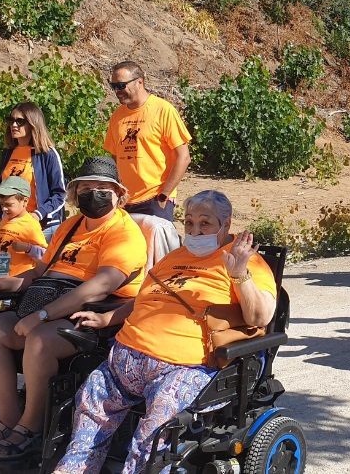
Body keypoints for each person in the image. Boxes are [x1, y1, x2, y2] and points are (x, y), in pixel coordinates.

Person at [51, 190, 277, 474]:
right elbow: (145, 298)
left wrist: (239, 274)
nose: (195, 230)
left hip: (183, 368)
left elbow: (261, 316)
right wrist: (108, 317)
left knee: (154, 429)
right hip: (124, 363)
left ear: (226, 224)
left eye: (205, 224)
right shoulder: (173, 258)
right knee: (91, 399)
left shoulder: (245, 260)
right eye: (189, 222)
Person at [0, 156, 147, 461]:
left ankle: (31, 428)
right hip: (51, 302)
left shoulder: (124, 233)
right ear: (77, 195)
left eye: (103, 188)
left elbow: (100, 286)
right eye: (87, 188)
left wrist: (42, 316)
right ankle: (8, 419)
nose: (95, 194)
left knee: (38, 339)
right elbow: (40, 273)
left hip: (94, 314)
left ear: (119, 194)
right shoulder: (70, 227)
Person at [105, 61, 192, 221]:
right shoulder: (117, 115)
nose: (117, 91)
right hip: (125, 199)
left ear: (139, 82)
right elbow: (115, 157)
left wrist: (164, 194)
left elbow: (184, 157)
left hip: (155, 198)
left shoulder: (163, 110)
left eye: (121, 85)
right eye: (114, 86)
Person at [0, 102, 66, 242]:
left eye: (20, 121)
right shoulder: (8, 152)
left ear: (33, 123)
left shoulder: (47, 154)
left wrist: (39, 214)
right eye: (11, 120)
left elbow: (60, 194)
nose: (14, 125)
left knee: (42, 264)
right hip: (14, 225)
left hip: (43, 227)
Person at [0, 177, 47, 278]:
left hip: (20, 279)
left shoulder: (31, 225)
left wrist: (28, 248)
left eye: (8, 205)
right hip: (1, 277)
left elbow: (45, 255)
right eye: (1, 204)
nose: (4, 209)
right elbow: (6, 246)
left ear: (25, 201)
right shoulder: (5, 220)